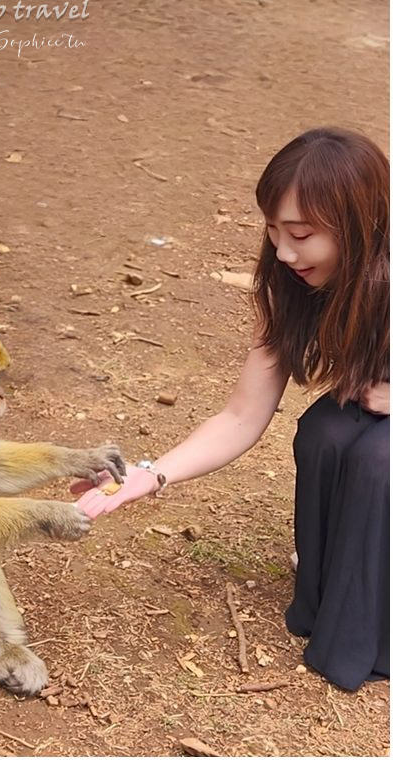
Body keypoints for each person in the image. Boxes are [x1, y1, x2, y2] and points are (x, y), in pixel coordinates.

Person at [76, 127, 389, 692]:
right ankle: (337, 592)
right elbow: (242, 417)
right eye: (273, 231)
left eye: (301, 234)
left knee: (379, 458)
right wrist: (148, 477)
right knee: (325, 431)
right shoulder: (287, 284)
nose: (284, 252)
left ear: (362, 223)